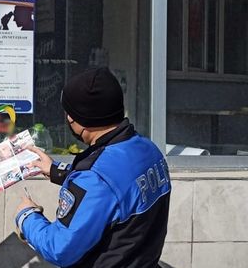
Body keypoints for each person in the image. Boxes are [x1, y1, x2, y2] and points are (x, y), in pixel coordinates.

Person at [15, 67, 171, 267]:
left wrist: (27, 216)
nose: (68, 118)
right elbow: (118, 189)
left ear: (80, 120)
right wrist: (58, 171)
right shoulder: (148, 150)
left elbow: (59, 249)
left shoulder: (96, 178)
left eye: (69, 113)